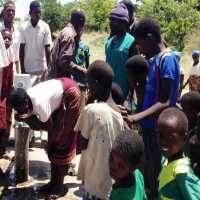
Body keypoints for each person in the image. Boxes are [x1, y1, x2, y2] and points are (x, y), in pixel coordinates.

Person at [125, 18, 180, 199]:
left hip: (159, 129)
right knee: (148, 170)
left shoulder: (168, 60)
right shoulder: (154, 59)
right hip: (149, 127)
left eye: (139, 43)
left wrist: (135, 117)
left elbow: (164, 101)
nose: (139, 48)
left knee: (157, 173)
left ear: (149, 38)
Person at [9, 78, 80, 197]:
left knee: (61, 141)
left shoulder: (39, 103)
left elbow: (49, 128)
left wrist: (29, 120)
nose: (20, 111)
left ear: (26, 101)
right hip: (59, 91)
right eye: (17, 110)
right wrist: (28, 118)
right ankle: (53, 183)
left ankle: (59, 187)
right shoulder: (27, 101)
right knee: (53, 143)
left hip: (70, 94)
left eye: (21, 109)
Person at [75, 60, 124, 200]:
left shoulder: (91, 110)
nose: (88, 87)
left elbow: (81, 144)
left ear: (96, 83)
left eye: (89, 83)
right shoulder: (118, 114)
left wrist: (89, 101)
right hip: (109, 184)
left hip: (93, 184)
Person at [157, 108, 200, 200]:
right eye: (160, 135)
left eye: (170, 137)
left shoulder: (182, 173)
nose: (163, 141)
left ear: (184, 138)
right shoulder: (165, 159)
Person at [105, 4, 137, 98]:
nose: (110, 24)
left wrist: (129, 97)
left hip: (123, 94)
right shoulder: (109, 41)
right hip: (108, 92)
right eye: (110, 20)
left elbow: (134, 73)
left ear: (124, 23)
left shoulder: (131, 42)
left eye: (114, 21)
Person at [20, 1, 52, 85]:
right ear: (30, 13)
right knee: (29, 95)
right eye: (36, 12)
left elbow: (47, 49)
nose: (38, 15)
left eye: (39, 12)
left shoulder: (45, 27)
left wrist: (49, 68)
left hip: (42, 68)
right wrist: (23, 70)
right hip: (28, 69)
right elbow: (21, 50)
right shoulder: (23, 28)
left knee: (42, 95)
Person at [109, 131, 147, 200]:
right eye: (111, 158)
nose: (113, 166)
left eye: (121, 166)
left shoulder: (119, 197)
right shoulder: (138, 175)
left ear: (132, 168)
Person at [49, 10, 86, 79]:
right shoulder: (70, 35)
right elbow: (65, 62)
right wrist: (82, 71)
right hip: (58, 81)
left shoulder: (65, 31)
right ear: (81, 26)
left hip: (54, 77)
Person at [0, 28, 14, 157]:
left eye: (9, 38)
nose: (7, 40)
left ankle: (2, 150)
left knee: (4, 125)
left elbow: (10, 83)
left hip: (4, 98)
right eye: (4, 37)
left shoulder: (9, 60)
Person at [181, 92, 200, 178]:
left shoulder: (195, 136)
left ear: (195, 112)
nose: (182, 112)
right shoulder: (187, 126)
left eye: (184, 109)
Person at [0, 1, 21, 73]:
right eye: (8, 10)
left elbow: (17, 59)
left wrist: (19, 75)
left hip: (12, 72)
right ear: (3, 13)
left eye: (13, 11)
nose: (11, 12)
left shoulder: (17, 33)